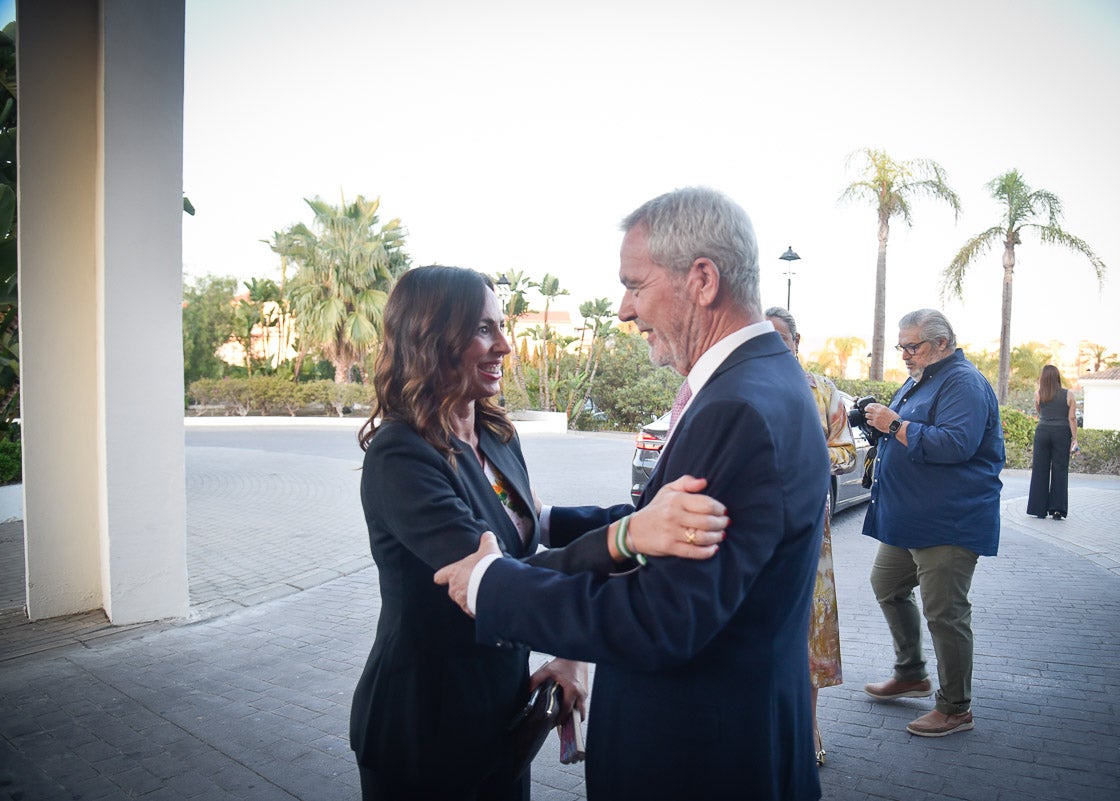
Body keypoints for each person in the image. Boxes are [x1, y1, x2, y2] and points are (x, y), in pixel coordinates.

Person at [435, 187, 829, 801]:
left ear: (702, 279)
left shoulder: (737, 409)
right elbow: (661, 524)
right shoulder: (765, 380)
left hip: (696, 760)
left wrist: (494, 585)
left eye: (635, 285)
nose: (624, 310)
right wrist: (549, 521)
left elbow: (661, 618)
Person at [350, 265, 729, 801]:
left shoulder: (494, 435)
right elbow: (494, 582)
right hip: (426, 725)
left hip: (500, 718)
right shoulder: (401, 457)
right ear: (429, 337)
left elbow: (532, 525)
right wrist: (625, 539)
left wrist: (649, 516)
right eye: (484, 329)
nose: (504, 344)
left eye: (501, 326)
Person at [858, 308, 1004, 738]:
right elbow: (901, 431)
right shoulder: (923, 376)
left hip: (948, 521)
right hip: (911, 519)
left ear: (942, 343)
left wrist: (895, 422)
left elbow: (956, 444)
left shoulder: (964, 383)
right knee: (887, 584)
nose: (904, 353)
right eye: (901, 346)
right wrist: (875, 421)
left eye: (912, 345)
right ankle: (911, 673)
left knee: (945, 614)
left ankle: (956, 708)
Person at [764, 305, 854, 766]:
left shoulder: (823, 392)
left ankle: (809, 730)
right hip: (756, 537)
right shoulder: (750, 386)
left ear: (798, 342)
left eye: (782, 337)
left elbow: (846, 451)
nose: (774, 344)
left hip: (809, 539)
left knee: (811, 635)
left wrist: (814, 454)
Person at [1026, 364, 1078, 520]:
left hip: (1042, 432)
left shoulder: (1038, 394)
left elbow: (1040, 411)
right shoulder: (1069, 394)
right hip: (1061, 433)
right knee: (1060, 469)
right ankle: (1057, 510)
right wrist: (1074, 438)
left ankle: (1038, 509)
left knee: (1040, 469)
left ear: (1043, 378)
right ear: (1057, 377)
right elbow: (1072, 418)